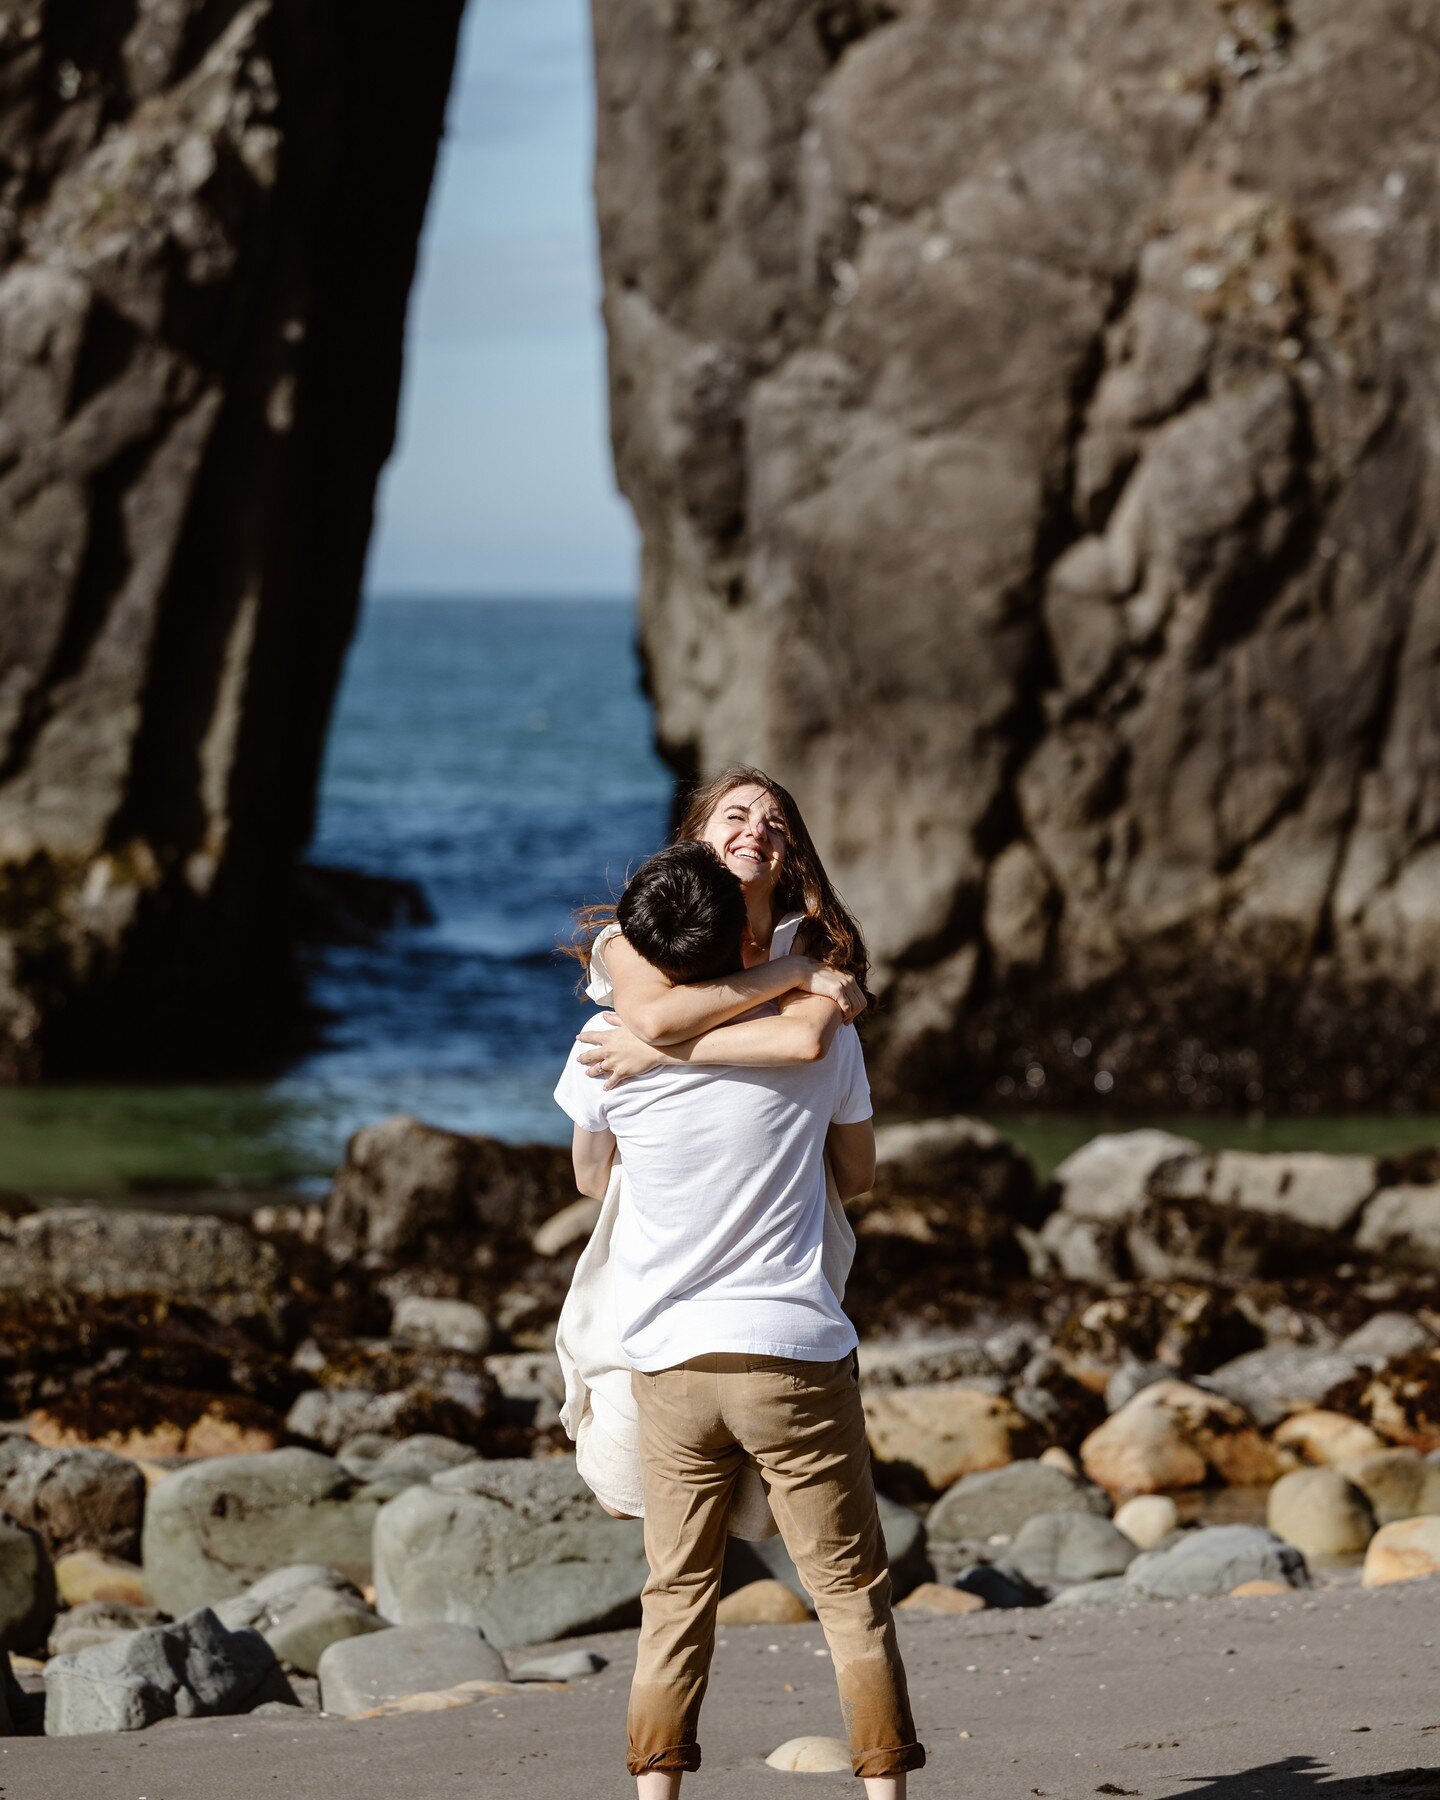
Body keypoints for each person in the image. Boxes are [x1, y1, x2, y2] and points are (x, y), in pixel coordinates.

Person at [554, 839, 925, 1796]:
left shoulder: (607, 1049)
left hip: (672, 1362)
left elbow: (591, 1178)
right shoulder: (825, 1037)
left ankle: (656, 1790)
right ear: (746, 935)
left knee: (676, 1595)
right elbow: (858, 1175)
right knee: (848, 1592)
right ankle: (884, 1790)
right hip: (792, 1349)